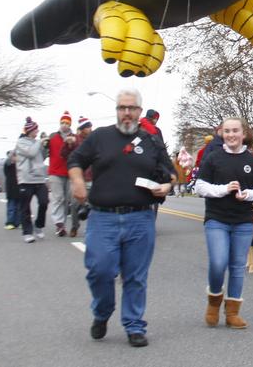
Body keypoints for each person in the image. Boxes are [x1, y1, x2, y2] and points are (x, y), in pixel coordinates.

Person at [68, 89, 173, 347]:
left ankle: (134, 325)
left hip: (140, 218)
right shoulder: (100, 137)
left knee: (135, 276)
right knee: (99, 271)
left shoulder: (151, 141)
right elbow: (75, 159)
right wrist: (77, 181)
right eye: (122, 108)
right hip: (103, 218)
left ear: (139, 111)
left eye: (132, 108)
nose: (127, 113)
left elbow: (170, 173)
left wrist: (167, 186)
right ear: (117, 110)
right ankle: (102, 312)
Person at [195, 117, 253, 329]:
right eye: (227, 131)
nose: (231, 135)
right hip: (217, 219)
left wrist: (248, 194)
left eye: (235, 130)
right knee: (218, 263)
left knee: (237, 266)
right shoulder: (213, 158)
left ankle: (233, 311)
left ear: (243, 133)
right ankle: (214, 301)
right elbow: (199, 186)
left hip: (243, 221)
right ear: (222, 134)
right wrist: (223, 189)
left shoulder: (252, 161)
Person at [15, 117, 49, 243]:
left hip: (39, 178)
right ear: (30, 130)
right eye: (36, 129)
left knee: (44, 202)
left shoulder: (37, 142)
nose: (37, 131)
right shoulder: (21, 142)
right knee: (25, 207)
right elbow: (31, 153)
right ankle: (27, 232)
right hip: (26, 179)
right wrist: (40, 142)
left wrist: (46, 147)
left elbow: (43, 156)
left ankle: (38, 225)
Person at [47, 110, 75, 237]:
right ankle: (59, 224)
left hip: (69, 172)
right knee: (58, 198)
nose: (64, 125)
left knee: (67, 199)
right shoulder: (53, 136)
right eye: (62, 122)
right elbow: (44, 153)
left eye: (67, 123)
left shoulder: (74, 138)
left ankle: (62, 222)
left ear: (70, 124)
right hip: (55, 172)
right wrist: (43, 144)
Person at [68, 117, 94, 237]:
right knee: (74, 204)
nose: (90, 129)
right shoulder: (74, 139)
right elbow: (64, 154)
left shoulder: (95, 139)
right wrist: (68, 144)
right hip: (78, 177)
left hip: (91, 176)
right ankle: (74, 226)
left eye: (90, 126)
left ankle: (90, 228)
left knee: (93, 204)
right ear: (83, 129)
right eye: (88, 127)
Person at [3, 151, 20, 229]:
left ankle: (19, 222)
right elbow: (9, 161)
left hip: (20, 187)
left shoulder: (20, 164)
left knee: (20, 207)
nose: (15, 157)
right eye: (13, 156)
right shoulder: (8, 164)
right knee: (11, 206)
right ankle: (10, 222)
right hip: (11, 187)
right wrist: (12, 154)